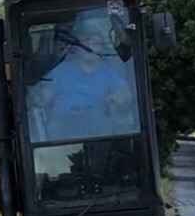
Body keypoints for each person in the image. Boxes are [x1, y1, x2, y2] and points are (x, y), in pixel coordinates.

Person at [28, 13, 137, 144]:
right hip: (61, 136)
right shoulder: (61, 70)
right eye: (86, 40)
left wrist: (120, 96)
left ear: (102, 47)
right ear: (77, 46)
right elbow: (43, 95)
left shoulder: (109, 74)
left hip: (98, 135)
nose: (90, 44)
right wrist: (39, 97)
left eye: (94, 41)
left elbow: (123, 92)